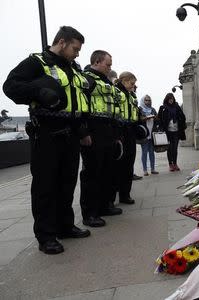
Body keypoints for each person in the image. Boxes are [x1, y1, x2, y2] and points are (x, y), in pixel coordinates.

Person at [2, 26, 91, 254]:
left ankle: (65, 225)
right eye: (75, 49)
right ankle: (46, 235)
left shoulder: (72, 68)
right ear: (62, 42)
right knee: (45, 186)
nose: (77, 54)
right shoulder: (36, 62)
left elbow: (76, 102)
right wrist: (38, 92)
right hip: (46, 132)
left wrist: (82, 131)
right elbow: (10, 86)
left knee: (67, 182)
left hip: (70, 132)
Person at [80, 50, 122, 228]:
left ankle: (105, 206)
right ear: (97, 62)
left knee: (107, 171)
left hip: (108, 131)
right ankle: (90, 213)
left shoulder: (105, 82)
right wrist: (84, 132)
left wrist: (117, 135)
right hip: (94, 131)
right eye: (108, 64)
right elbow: (80, 106)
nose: (110, 68)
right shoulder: (86, 80)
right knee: (92, 174)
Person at [113, 72, 141, 204]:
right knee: (120, 165)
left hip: (130, 130)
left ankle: (126, 194)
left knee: (129, 164)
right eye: (132, 83)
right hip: (121, 130)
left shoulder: (131, 96)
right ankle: (119, 193)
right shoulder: (116, 92)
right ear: (124, 81)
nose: (133, 86)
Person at [157, 92, 186, 172]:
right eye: (169, 99)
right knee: (169, 149)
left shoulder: (177, 107)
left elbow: (183, 116)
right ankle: (170, 164)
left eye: (172, 99)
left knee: (175, 148)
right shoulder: (163, 107)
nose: (171, 100)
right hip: (167, 132)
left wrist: (179, 120)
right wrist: (161, 127)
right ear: (167, 99)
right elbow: (159, 119)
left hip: (176, 130)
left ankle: (175, 163)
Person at [139, 95, 158, 175]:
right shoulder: (140, 109)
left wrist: (155, 117)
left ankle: (153, 169)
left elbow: (157, 118)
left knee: (151, 152)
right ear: (143, 101)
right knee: (144, 152)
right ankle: (145, 170)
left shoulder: (152, 109)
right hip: (144, 134)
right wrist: (146, 118)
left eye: (149, 100)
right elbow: (138, 119)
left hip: (152, 133)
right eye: (146, 100)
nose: (148, 101)